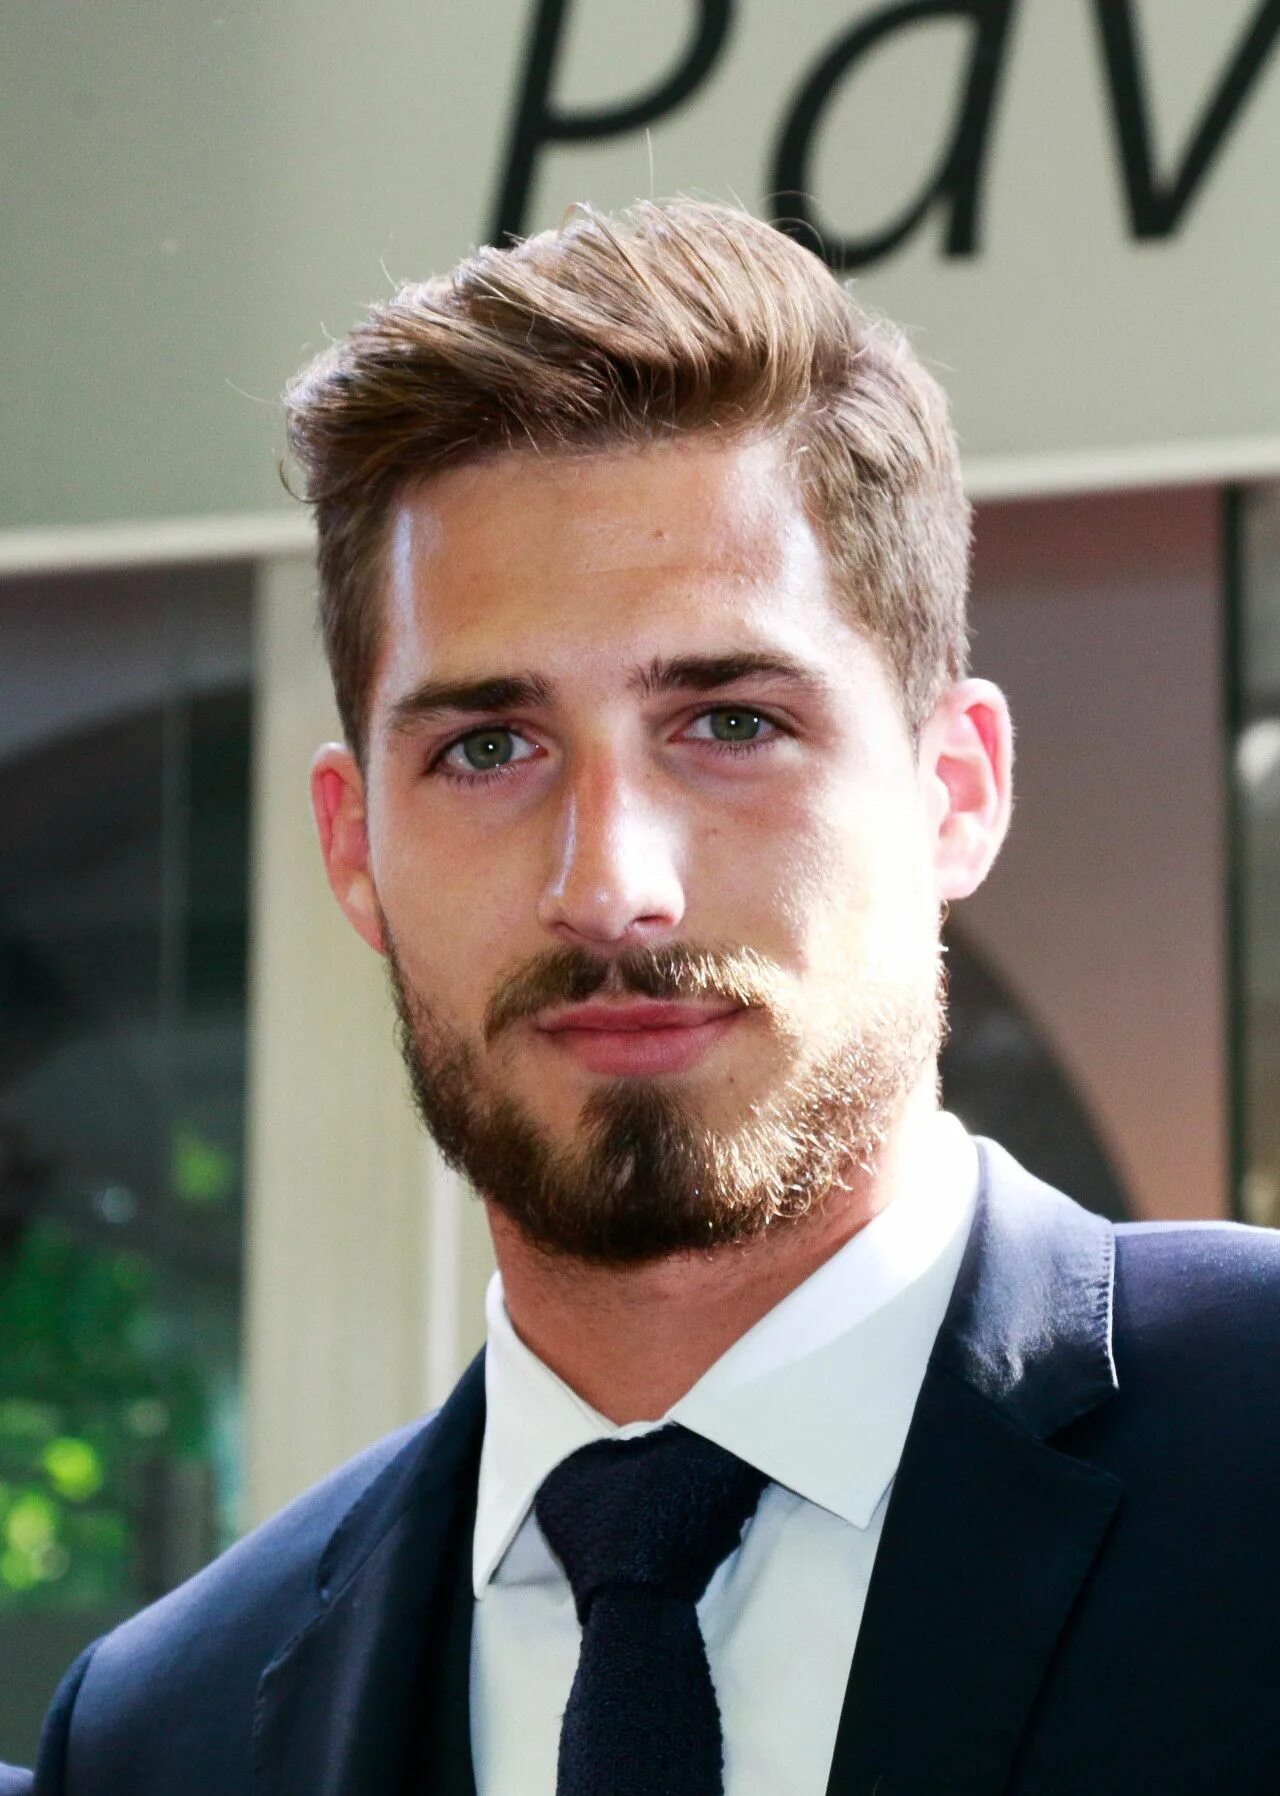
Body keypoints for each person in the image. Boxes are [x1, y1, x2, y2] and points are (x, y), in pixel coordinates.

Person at [31, 199, 1280, 1796]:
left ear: (956, 791)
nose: (613, 884)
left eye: (731, 724)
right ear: (353, 849)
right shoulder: (164, 1738)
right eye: (489, 747)